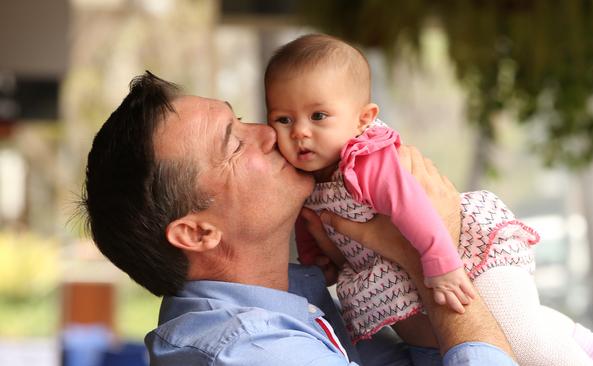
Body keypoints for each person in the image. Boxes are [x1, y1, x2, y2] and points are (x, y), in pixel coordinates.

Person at [81, 71, 517, 365]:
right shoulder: (254, 351)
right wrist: (430, 255)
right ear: (198, 232)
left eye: (241, 119)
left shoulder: (302, 303)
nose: (271, 132)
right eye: (234, 144)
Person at [264, 34, 593, 366]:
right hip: (407, 266)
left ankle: (581, 353)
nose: (300, 132)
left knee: (523, 342)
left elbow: (411, 206)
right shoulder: (303, 179)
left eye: (318, 116)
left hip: (461, 249)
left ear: (363, 119)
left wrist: (441, 265)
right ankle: (574, 335)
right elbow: (307, 225)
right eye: (283, 119)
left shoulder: (364, 160)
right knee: (481, 332)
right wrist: (316, 260)